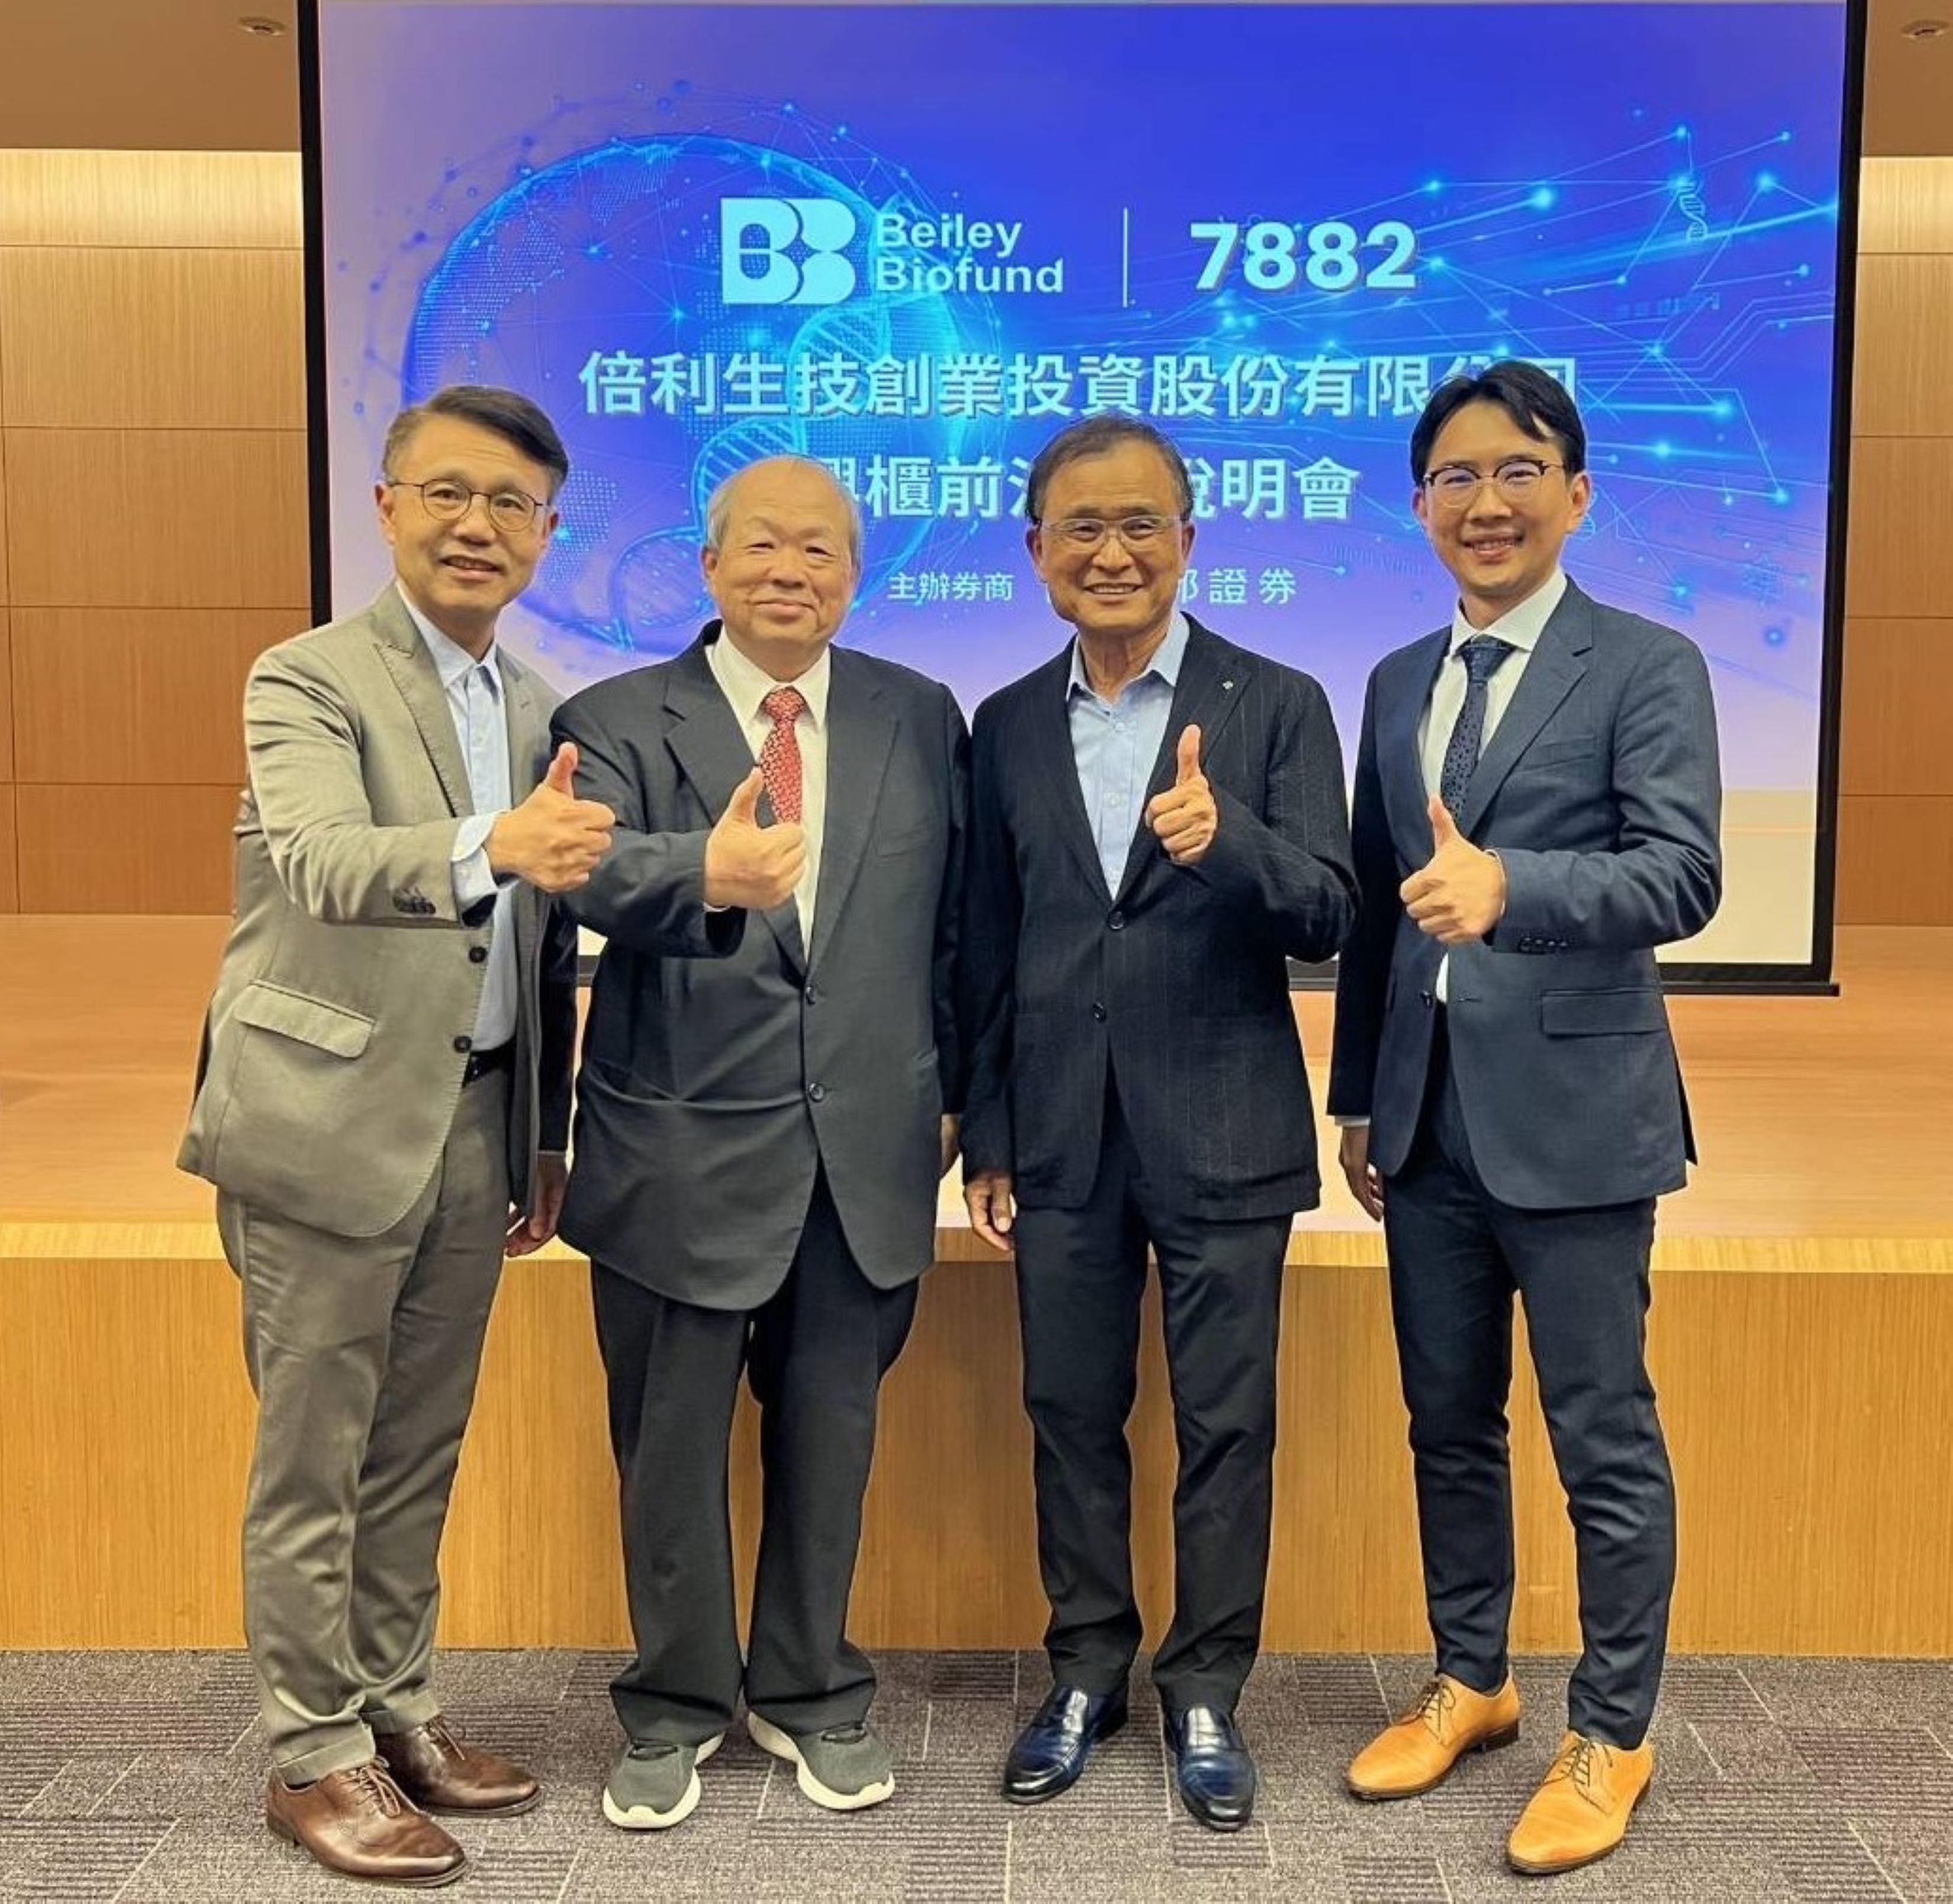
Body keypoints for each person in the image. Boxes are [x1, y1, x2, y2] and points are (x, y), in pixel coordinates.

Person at [181, 385, 610, 1887]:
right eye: (447, 492)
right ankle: (313, 1753)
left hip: (478, 1123)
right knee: (317, 1459)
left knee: (417, 1450)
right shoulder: (308, 677)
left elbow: (541, 943)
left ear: (548, 533)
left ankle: (394, 1708)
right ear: (385, 507)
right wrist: (496, 841)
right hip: (326, 1124)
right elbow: (321, 859)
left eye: (511, 504)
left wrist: (543, 1132)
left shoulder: (540, 706)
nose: (477, 525)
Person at [1329, 362, 1722, 1875]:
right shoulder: (1395, 682)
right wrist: (1359, 1097)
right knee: (1448, 1422)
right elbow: (1382, 911)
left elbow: (1683, 874)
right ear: (1420, 502)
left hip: (1578, 1118)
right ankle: (1473, 1677)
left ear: (1576, 492)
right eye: (1455, 477)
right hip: (1425, 1123)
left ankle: (1613, 1729)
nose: (1484, 503)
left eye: (1516, 472)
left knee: (1599, 1435)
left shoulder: (1646, 664)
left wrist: (1516, 889)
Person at [550, 455, 966, 1832]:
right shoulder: (615, 716)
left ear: (855, 573)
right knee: (668, 1453)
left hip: (865, 1157)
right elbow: (583, 868)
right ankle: (672, 1706)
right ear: (711, 564)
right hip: (677, 1158)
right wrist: (702, 874)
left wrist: (960, 1101)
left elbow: (953, 927)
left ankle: (810, 1690)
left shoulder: (918, 714)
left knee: (832, 1440)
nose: (793, 570)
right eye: (765, 546)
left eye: (821, 550)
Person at [959, 415, 1356, 1832]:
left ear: (1190, 539)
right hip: (1062, 1131)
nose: (1113, 551)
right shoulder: (1006, 721)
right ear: (1038, 551)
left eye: (1141, 524)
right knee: (1070, 1412)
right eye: (1083, 527)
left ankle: (1206, 1687)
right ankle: (1087, 1669)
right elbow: (989, 942)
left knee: (1225, 1422)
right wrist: (989, 1132)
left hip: (1225, 1127)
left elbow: (1330, 910)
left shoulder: (1279, 702)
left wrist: (1228, 842)